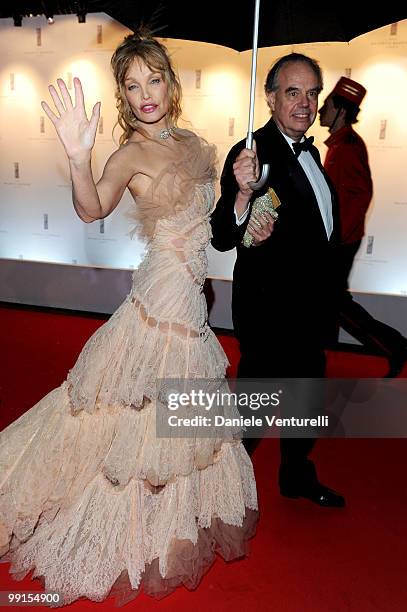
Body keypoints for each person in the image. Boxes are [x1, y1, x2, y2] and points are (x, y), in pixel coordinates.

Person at [0, 30, 258, 605]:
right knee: (131, 418)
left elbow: (215, 232)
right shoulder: (130, 153)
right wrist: (76, 155)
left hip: (193, 295)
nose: (146, 93)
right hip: (160, 300)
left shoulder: (193, 144)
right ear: (122, 94)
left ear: (170, 82)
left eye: (154, 79)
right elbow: (91, 208)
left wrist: (241, 199)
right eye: (132, 84)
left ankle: (165, 525)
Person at [211, 52, 345, 508]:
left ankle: (295, 474)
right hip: (270, 310)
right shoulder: (252, 153)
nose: (305, 104)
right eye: (293, 92)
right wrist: (244, 197)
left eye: (312, 93)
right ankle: (220, 491)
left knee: (307, 400)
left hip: (310, 309)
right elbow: (222, 235)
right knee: (255, 408)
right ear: (270, 98)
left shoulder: (312, 151)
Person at [319, 76, 407, 377]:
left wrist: (335, 240)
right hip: (339, 240)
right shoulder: (339, 145)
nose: (319, 109)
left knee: (335, 303)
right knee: (330, 303)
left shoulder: (348, 147)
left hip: (341, 241)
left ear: (341, 110)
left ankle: (394, 346)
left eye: (327, 104)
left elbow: (359, 197)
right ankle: (326, 354)